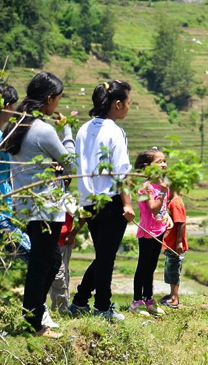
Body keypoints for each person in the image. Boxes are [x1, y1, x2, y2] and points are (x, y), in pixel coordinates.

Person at [3, 72, 75, 338]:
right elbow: (72, 164)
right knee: (41, 265)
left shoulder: (15, 125)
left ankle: (33, 315)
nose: (57, 104)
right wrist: (67, 129)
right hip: (46, 208)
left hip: (26, 205)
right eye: (57, 99)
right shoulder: (43, 130)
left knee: (50, 261)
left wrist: (52, 166)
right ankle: (31, 325)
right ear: (48, 99)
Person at [70, 80, 135, 321]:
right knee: (106, 258)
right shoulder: (115, 131)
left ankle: (79, 301)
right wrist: (127, 204)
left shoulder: (84, 128)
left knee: (103, 255)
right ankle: (103, 307)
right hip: (110, 201)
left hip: (89, 201)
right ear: (117, 104)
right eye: (128, 103)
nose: (129, 108)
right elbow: (121, 172)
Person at [129, 147, 170, 316]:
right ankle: (136, 302)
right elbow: (153, 208)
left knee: (152, 267)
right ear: (147, 167)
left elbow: (162, 209)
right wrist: (162, 190)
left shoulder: (160, 185)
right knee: (143, 267)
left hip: (158, 230)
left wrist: (168, 217)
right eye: (159, 162)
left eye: (164, 161)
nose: (164, 165)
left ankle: (149, 299)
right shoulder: (146, 187)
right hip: (148, 232)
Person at [0, 84, 31, 261]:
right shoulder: (2, 137)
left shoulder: (5, 135)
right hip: (2, 210)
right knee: (31, 254)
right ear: (7, 106)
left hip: (7, 203)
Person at [160, 185, 188, 309]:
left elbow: (181, 223)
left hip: (174, 245)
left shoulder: (176, 203)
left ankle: (174, 298)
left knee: (174, 270)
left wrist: (178, 242)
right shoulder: (172, 201)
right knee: (170, 269)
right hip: (170, 244)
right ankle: (172, 294)